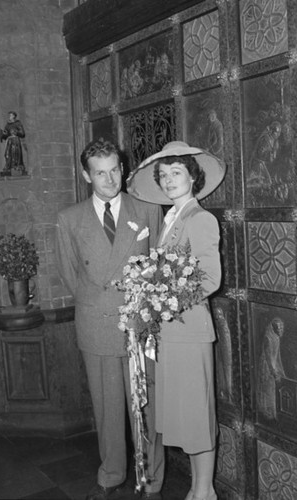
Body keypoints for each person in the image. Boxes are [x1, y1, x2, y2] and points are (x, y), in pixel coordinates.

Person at [55, 137, 165, 500]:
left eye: (114, 169)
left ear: (123, 168)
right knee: (107, 408)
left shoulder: (148, 210)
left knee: (147, 406)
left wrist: (139, 308)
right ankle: (112, 473)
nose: (109, 179)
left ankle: (151, 477)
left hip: (140, 324)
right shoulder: (69, 219)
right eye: (100, 173)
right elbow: (71, 274)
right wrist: (101, 300)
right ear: (86, 175)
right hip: (97, 321)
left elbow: (159, 266)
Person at [127, 141, 226, 500]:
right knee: (186, 416)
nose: (169, 181)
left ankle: (204, 491)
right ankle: (200, 490)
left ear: (193, 176)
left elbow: (209, 278)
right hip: (170, 334)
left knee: (197, 416)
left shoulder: (200, 218)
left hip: (189, 332)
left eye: (176, 173)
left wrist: (164, 300)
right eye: (163, 175)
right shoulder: (171, 219)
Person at [257, 317, 286, 420]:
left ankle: (273, 413)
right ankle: (267, 413)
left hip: (273, 364)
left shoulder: (277, 338)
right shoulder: (268, 338)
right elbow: (269, 357)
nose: (281, 330)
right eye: (279, 328)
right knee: (268, 388)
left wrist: (281, 371)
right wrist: (273, 372)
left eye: (282, 328)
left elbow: (277, 356)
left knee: (273, 389)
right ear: (273, 329)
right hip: (267, 366)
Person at [0, 111, 26, 175]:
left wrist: (16, 132)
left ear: (14, 116)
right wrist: (2, 134)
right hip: (9, 141)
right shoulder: (7, 125)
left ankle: (15, 167)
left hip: (15, 141)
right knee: (7, 154)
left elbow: (22, 133)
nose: (9, 117)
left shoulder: (17, 123)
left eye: (10, 115)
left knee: (15, 154)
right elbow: (6, 134)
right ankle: (8, 167)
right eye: (9, 115)